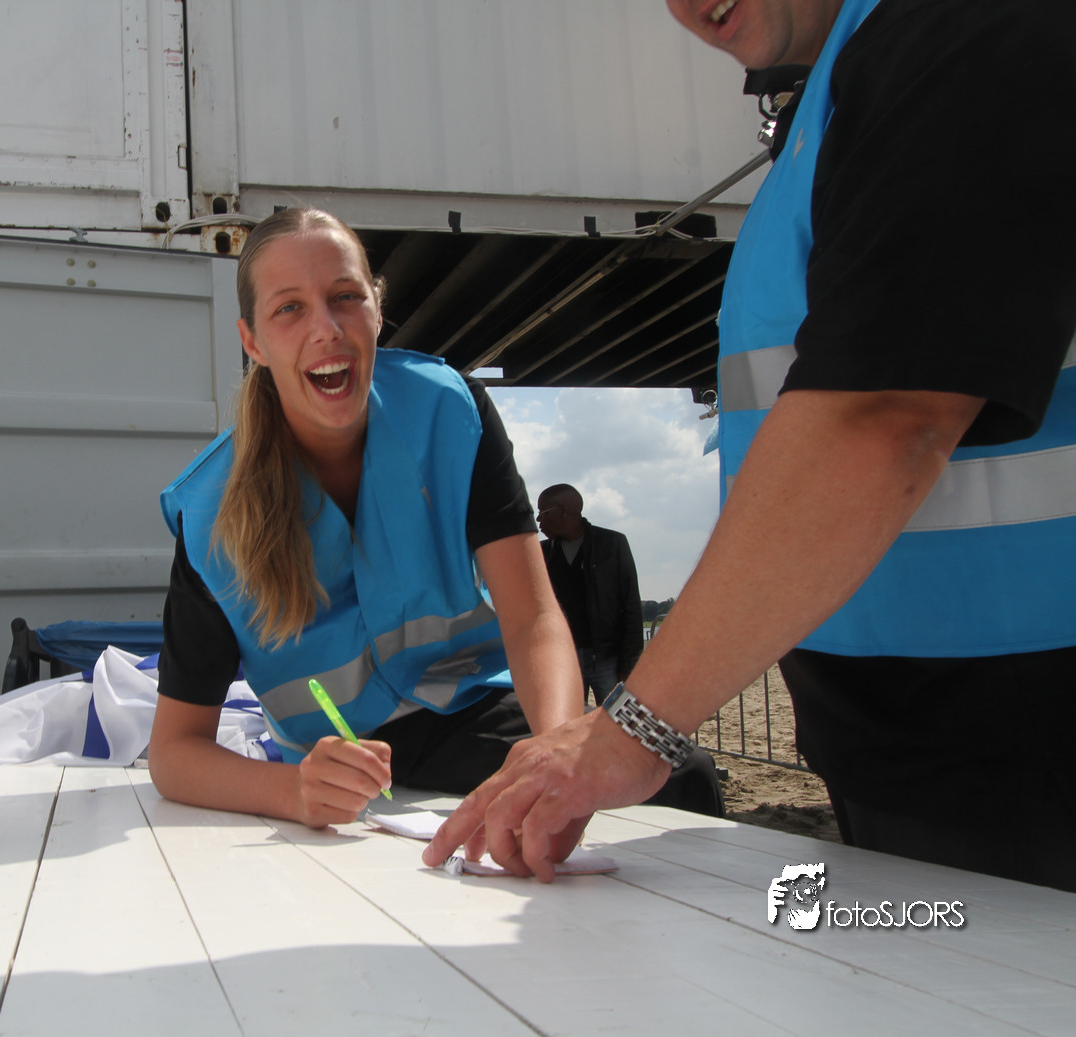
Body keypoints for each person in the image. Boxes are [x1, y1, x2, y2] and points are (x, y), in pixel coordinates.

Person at [426, 0, 1076, 890]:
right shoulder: (838, 93)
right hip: (929, 734)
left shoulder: (960, 27)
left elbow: (885, 412)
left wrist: (632, 730)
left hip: (1022, 732)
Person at [149, 208, 588, 841]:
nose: (326, 329)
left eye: (345, 297)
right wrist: (293, 792)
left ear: (377, 310)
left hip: (476, 717)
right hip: (335, 770)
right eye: (289, 309)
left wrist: (556, 757)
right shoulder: (209, 510)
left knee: (682, 778)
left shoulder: (450, 412)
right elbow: (174, 752)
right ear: (253, 342)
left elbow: (532, 619)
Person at [536, 484, 642, 706]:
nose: (538, 520)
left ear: (564, 511)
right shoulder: (541, 553)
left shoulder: (612, 544)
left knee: (615, 720)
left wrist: (628, 664)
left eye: (543, 512)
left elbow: (631, 606)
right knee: (570, 719)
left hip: (607, 659)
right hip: (562, 660)